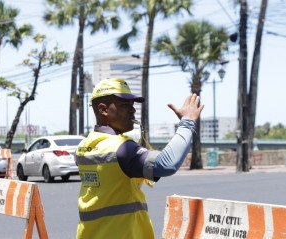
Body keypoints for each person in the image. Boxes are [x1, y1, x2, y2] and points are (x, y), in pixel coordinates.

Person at [75, 78, 204, 239]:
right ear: (103, 110)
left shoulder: (84, 146)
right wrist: (188, 122)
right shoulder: (121, 149)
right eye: (124, 105)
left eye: (132, 105)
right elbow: (167, 164)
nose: (133, 110)